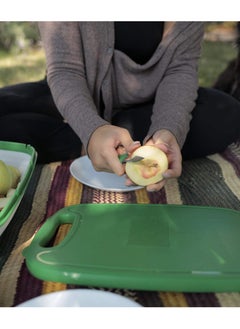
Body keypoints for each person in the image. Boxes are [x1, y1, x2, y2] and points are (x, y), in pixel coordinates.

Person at [0, 22, 240, 192]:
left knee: (226, 113)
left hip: (147, 104)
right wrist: (91, 129)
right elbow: (65, 70)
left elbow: (181, 70)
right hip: (76, 94)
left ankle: (106, 143)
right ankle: (97, 143)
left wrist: (168, 130)